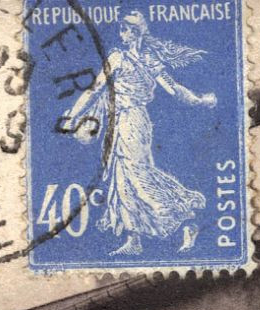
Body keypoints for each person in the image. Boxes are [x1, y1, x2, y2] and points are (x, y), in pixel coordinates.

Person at [61, 11, 216, 256]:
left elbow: (94, 89)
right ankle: (134, 239)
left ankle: (186, 223)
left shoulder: (119, 58)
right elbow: (175, 89)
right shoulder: (150, 60)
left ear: (133, 33)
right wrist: (199, 100)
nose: (120, 34)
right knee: (123, 178)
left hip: (129, 121)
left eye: (124, 30)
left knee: (136, 175)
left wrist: (72, 117)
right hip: (133, 121)